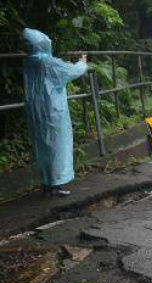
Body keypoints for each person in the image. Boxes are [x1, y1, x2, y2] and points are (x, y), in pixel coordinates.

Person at [21, 28, 88, 197]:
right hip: (52, 110)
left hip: (36, 110)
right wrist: (82, 62)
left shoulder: (29, 62)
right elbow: (72, 71)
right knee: (56, 146)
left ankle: (46, 184)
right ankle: (55, 186)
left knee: (42, 147)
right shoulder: (48, 62)